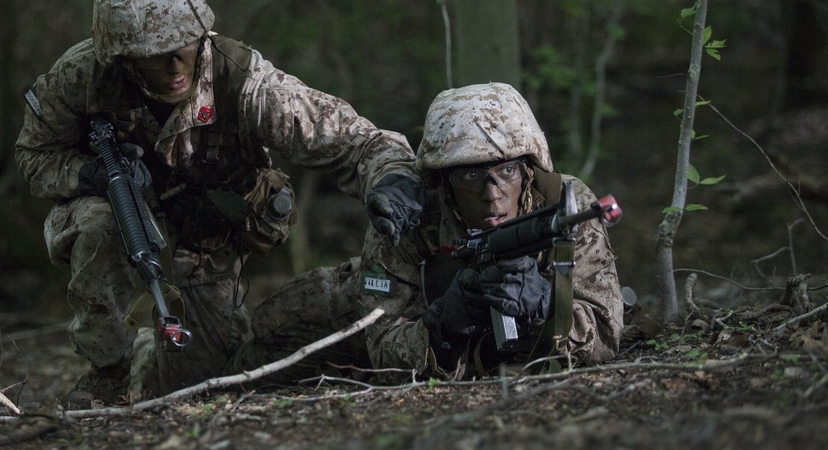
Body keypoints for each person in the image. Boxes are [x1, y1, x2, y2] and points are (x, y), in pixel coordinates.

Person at [15, 0, 422, 407]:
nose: (174, 66)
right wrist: (85, 174)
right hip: (115, 209)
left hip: (203, 237)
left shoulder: (245, 82)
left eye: (184, 47)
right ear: (124, 57)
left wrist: (392, 179)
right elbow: (34, 155)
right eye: (155, 56)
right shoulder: (81, 76)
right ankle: (106, 373)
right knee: (98, 222)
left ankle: (154, 353)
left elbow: (356, 141)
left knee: (201, 387)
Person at [227, 82, 623, 383]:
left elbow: (605, 333)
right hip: (355, 314)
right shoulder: (409, 218)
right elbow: (381, 343)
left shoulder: (561, 207)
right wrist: (443, 327)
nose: (492, 194)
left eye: (506, 171)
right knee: (262, 348)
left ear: (528, 169)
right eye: (471, 175)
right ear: (443, 181)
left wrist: (546, 306)